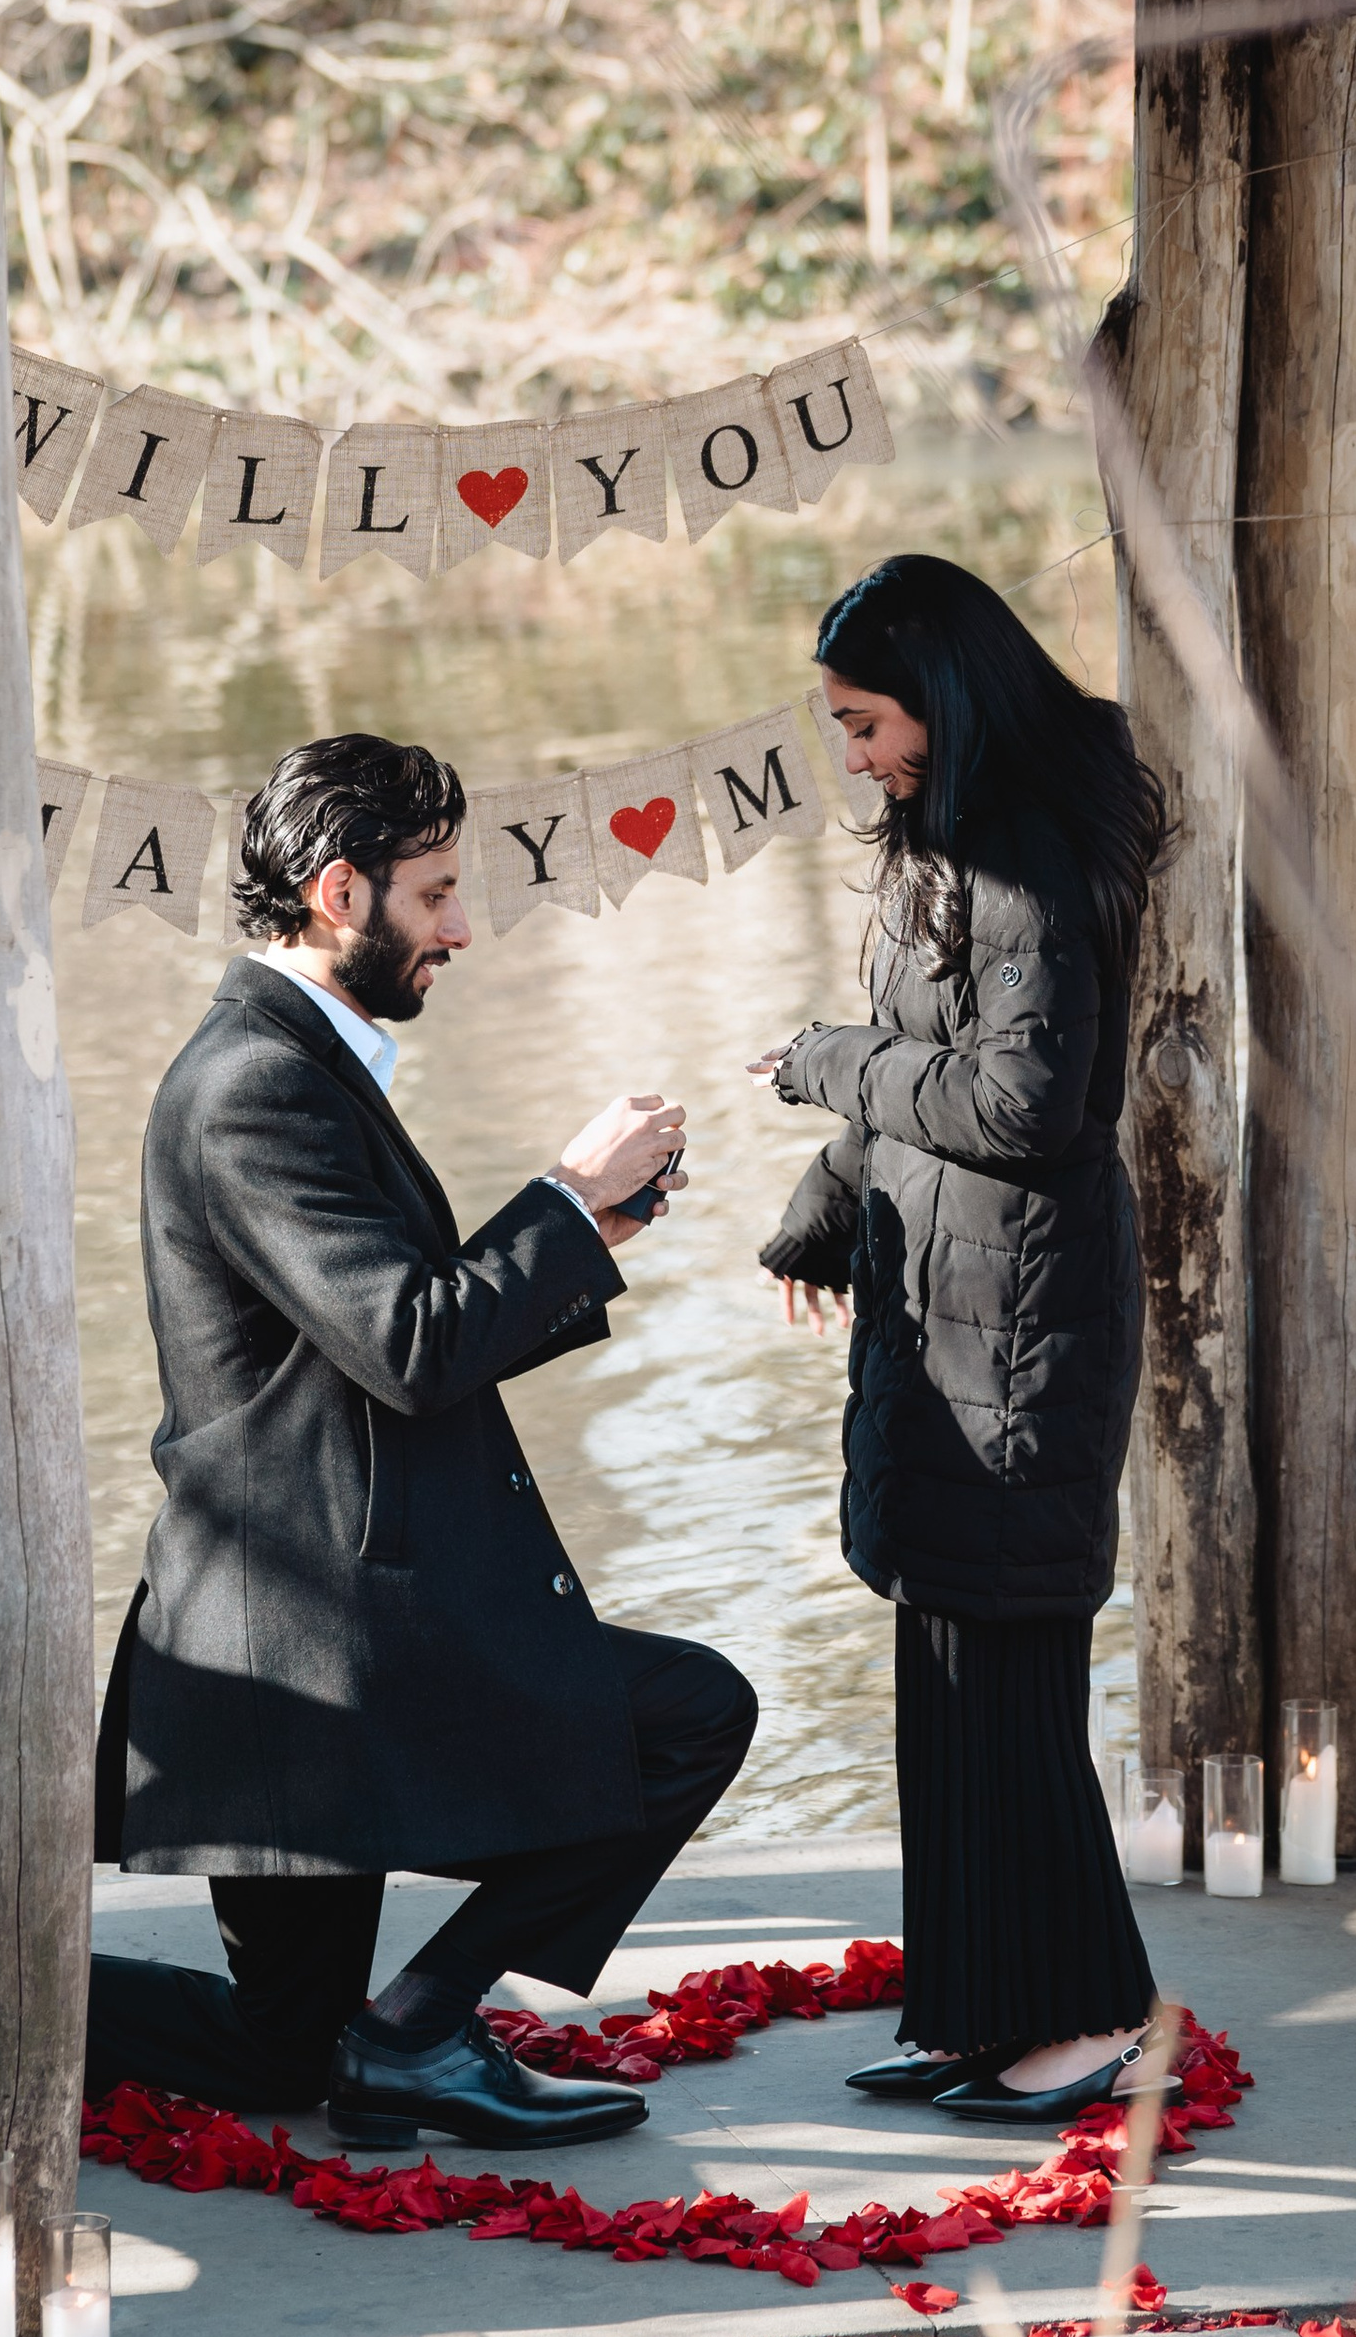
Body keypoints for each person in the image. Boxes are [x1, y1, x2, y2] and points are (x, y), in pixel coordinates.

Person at [87, 731, 756, 2151]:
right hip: (306, 1649)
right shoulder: (253, 1087)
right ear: (342, 894)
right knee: (690, 1716)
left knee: (283, 2050)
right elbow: (408, 1345)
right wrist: (564, 1202)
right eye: (437, 894)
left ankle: (408, 2028)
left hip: (340, 1628)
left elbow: (391, 1334)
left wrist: (589, 1240)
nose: (459, 928)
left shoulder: (302, 1063)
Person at [749, 553, 1171, 2123]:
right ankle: (980, 2011)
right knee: (942, 1660)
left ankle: (1081, 2022)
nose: (853, 757)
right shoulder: (949, 843)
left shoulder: (1029, 853)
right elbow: (922, 1064)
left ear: (948, 700)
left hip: (1026, 1315)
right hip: (940, 1291)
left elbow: (1019, 1102)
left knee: (1007, 1667)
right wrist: (818, 1198)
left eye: (866, 725)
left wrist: (819, 1062)